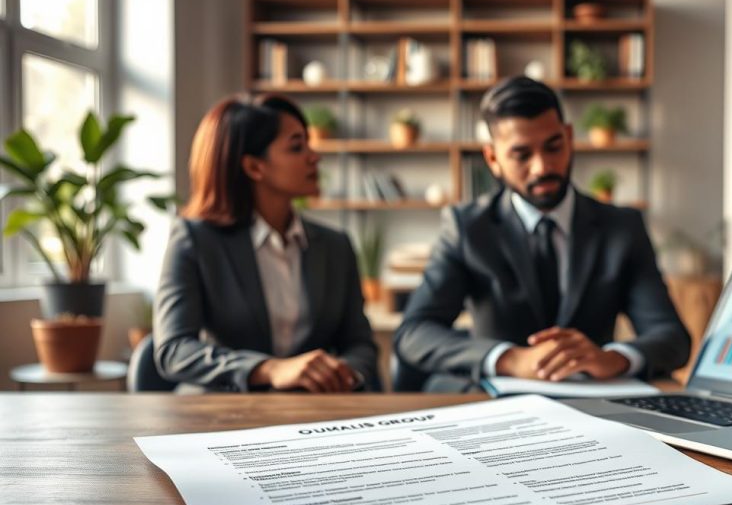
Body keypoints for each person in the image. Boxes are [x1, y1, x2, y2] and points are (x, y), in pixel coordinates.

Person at [393, 76, 689, 391]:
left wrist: (613, 359)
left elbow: (671, 336)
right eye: (522, 155)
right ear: (493, 159)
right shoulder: (467, 228)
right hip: (496, 410)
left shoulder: (622, 228)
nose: (542, 167)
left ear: (570, 137)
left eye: (553, 146)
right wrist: (510, 359)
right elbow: (414, 332)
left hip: (594, 404)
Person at [154, 94, 378, 393]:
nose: (315, 156)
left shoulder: (336, 246)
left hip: (315, 412)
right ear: (254, 167)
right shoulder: (194, 240)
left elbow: (360, 344)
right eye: (297, 147)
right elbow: (174, 350)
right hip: (225, 412)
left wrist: (343, 373)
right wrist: (268, 370)